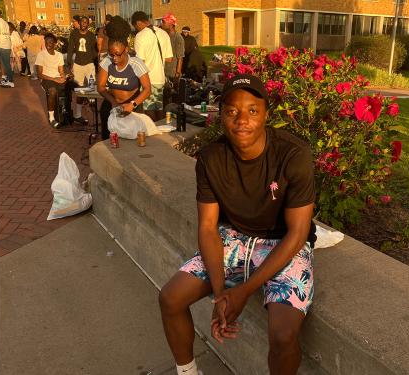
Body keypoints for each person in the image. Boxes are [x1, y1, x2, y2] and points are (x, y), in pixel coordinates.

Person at [158, 74, 317, 375]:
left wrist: (243, 292)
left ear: (266, 114)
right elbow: (207, 227)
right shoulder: (210, 158)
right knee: (170, 298)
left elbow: (298, 234)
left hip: (283, 243)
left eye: (252, 111)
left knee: (283, 334)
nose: (242, 119)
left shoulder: (293, 154)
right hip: (234, 238)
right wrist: (221, 294)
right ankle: (188, 372)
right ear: (221, 116)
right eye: (232, 111)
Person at [97, 16, 151, 140]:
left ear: (126, 49)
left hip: (133, 107)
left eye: (117, 54)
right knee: (110, 141)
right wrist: (113, 101)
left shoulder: (136, 64)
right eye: (111, 55)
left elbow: (147, 89)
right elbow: (100, 86)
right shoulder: (107, 62)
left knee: (134, 141)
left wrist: (132, 104)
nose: (114, 58)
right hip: (112, 106)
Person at [130, 11, 173, 121]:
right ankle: (162, 133)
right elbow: (169, 58)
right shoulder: (163, 33)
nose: (136, 29)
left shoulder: (140, 36)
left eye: (135, 26)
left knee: (148, 111)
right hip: (161, 79)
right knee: (159, 110)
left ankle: (152, 135)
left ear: (138, 23)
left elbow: (140, 62)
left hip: (147, 79)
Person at [67, 15, 98, 125]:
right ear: (79, 23)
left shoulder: (91, 35)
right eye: (82, 22)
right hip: (78, 65)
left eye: (86, 22)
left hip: (89, 64)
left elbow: (95, 51)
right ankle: (78, 115)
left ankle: (94, 115)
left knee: (91, 87)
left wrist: (96, 64)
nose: (84, 24)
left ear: (88, 24)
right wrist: (70, 63)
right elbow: (70, 48)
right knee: (79, 90)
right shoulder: (74, 34)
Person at [35, 33, 68, 129]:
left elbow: (61, 71)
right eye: (46, 42)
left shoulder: (59, 55)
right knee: (52, 91)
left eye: (50, 42)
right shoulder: (41, 55)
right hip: (46, 79)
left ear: (55, 43)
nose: (48, 44)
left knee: (73, 85)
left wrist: (64, 77)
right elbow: (40, 74)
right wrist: (54, 79)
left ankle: (70, 114)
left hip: (56, 78)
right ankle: (52, 118)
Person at [160, 13, 184, 107]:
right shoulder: (164, 36)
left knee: (170, 100)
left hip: (172, 73)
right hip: (163, 71)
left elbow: (180, 57)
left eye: (164, 22)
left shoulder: (178, 38)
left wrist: (177, 74)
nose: (162, 24)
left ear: (170, 24)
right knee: (164, 99)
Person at [0, 8, 14, 88]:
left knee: (5, 64)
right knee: (6, 64)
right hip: (7, 45)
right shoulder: (5, 23)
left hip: (1, 45)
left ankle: (10, 81)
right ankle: (7, 80)